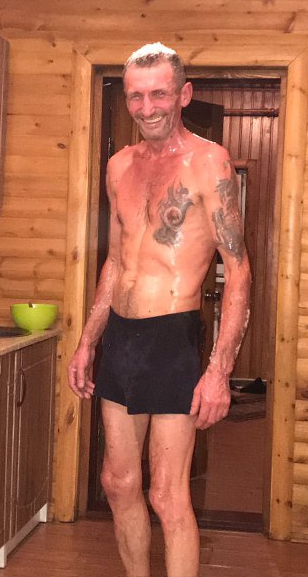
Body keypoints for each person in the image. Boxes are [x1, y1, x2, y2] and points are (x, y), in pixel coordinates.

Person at [68, 42, 251, 577]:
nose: (146, 108)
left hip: (172, 337)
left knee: (167, 494)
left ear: (184, 94)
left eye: (159, 95)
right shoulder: (118, 166)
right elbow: (115, 260)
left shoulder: (209, 162)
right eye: (136, 96)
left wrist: (219, 371)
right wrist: (88, 341)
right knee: (117, 482)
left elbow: (239, 270)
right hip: (121, 338)